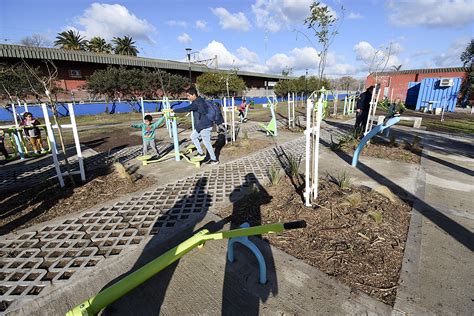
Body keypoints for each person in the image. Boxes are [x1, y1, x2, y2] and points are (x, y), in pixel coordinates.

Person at [173, 86, 222, 165]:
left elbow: (186, 109)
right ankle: (201, 153)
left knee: (207, 143)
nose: (188, 98)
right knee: (193, 136)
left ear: (193, 95)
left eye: (188, 96)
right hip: (201, 126)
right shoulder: (200, 100)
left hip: (205, 126)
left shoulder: (197, 103)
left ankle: (214, 159)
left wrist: (173, 110)